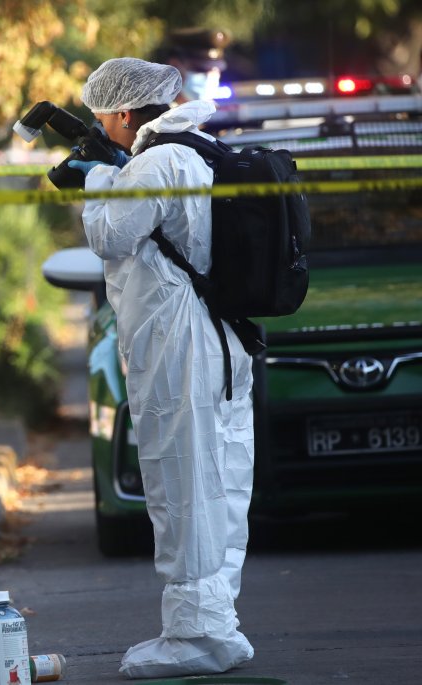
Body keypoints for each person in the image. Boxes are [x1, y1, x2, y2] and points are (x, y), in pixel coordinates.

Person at [67, 57, 256, 679]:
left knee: (182, 488)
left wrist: (95, 179)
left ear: (124, 113)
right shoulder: (201, 147)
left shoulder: (160, 162)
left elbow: (111, 237)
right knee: (221, 484)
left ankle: (194, 637)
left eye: (103, 120)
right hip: (222, 338)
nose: (104, 130)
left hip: (179, 344)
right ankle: (216, 626)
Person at [154, 27, 231, 103]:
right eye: (201, 70)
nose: (210, 77)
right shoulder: (153, 111)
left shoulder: (207, 113)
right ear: (175, 65)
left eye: (216, 70)